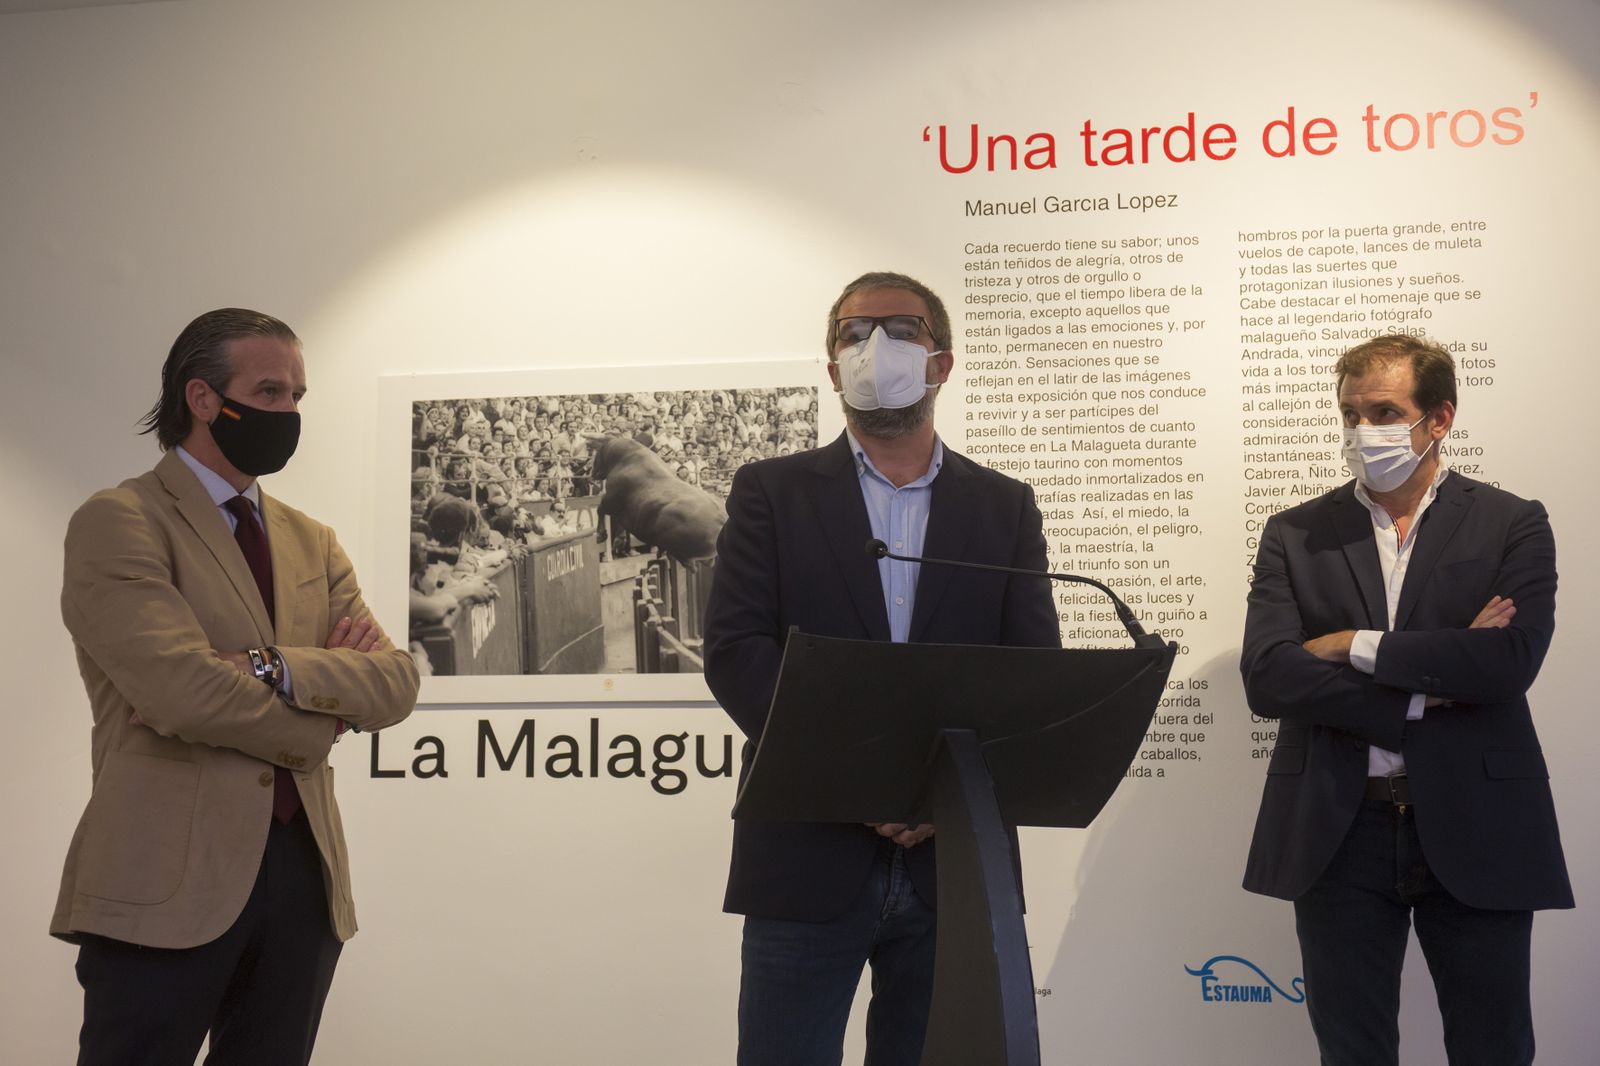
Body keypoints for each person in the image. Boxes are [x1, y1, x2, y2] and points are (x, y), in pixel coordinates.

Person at [703, 271, 1059, 1066]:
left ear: (942, 362)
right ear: (831, 369)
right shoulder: (771, 492)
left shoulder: (1006, 506)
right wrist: (861, 780)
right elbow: (736, 653)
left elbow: (1032, 675)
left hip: (956, 861)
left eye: (900, 330)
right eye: (854, 335)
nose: (875, 349)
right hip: (805, 850)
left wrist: (942, 794)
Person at [54, 308, 421, 1066]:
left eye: (297, 395)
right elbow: (181, 692)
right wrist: (326, 714)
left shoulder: (310, 539)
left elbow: (393, 682)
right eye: (269, 391)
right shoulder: (121, 521)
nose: (287, 412)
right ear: (201, 399)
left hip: (302, 881)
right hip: (163, 880)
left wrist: (271, 665)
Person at [1240, 334, 1571, 1066]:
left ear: (1440, 418)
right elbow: (1267, 677)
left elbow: (1508, 663)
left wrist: (1352, 643)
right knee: (1351, 1049)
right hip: (1338, 825)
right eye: (1350, 413)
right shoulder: (1295, 534)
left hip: (1477, 818)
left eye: (1385, 411)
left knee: (1494, 1046)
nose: (1364, 431)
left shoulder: (1511, 523)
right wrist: (1427, 691)